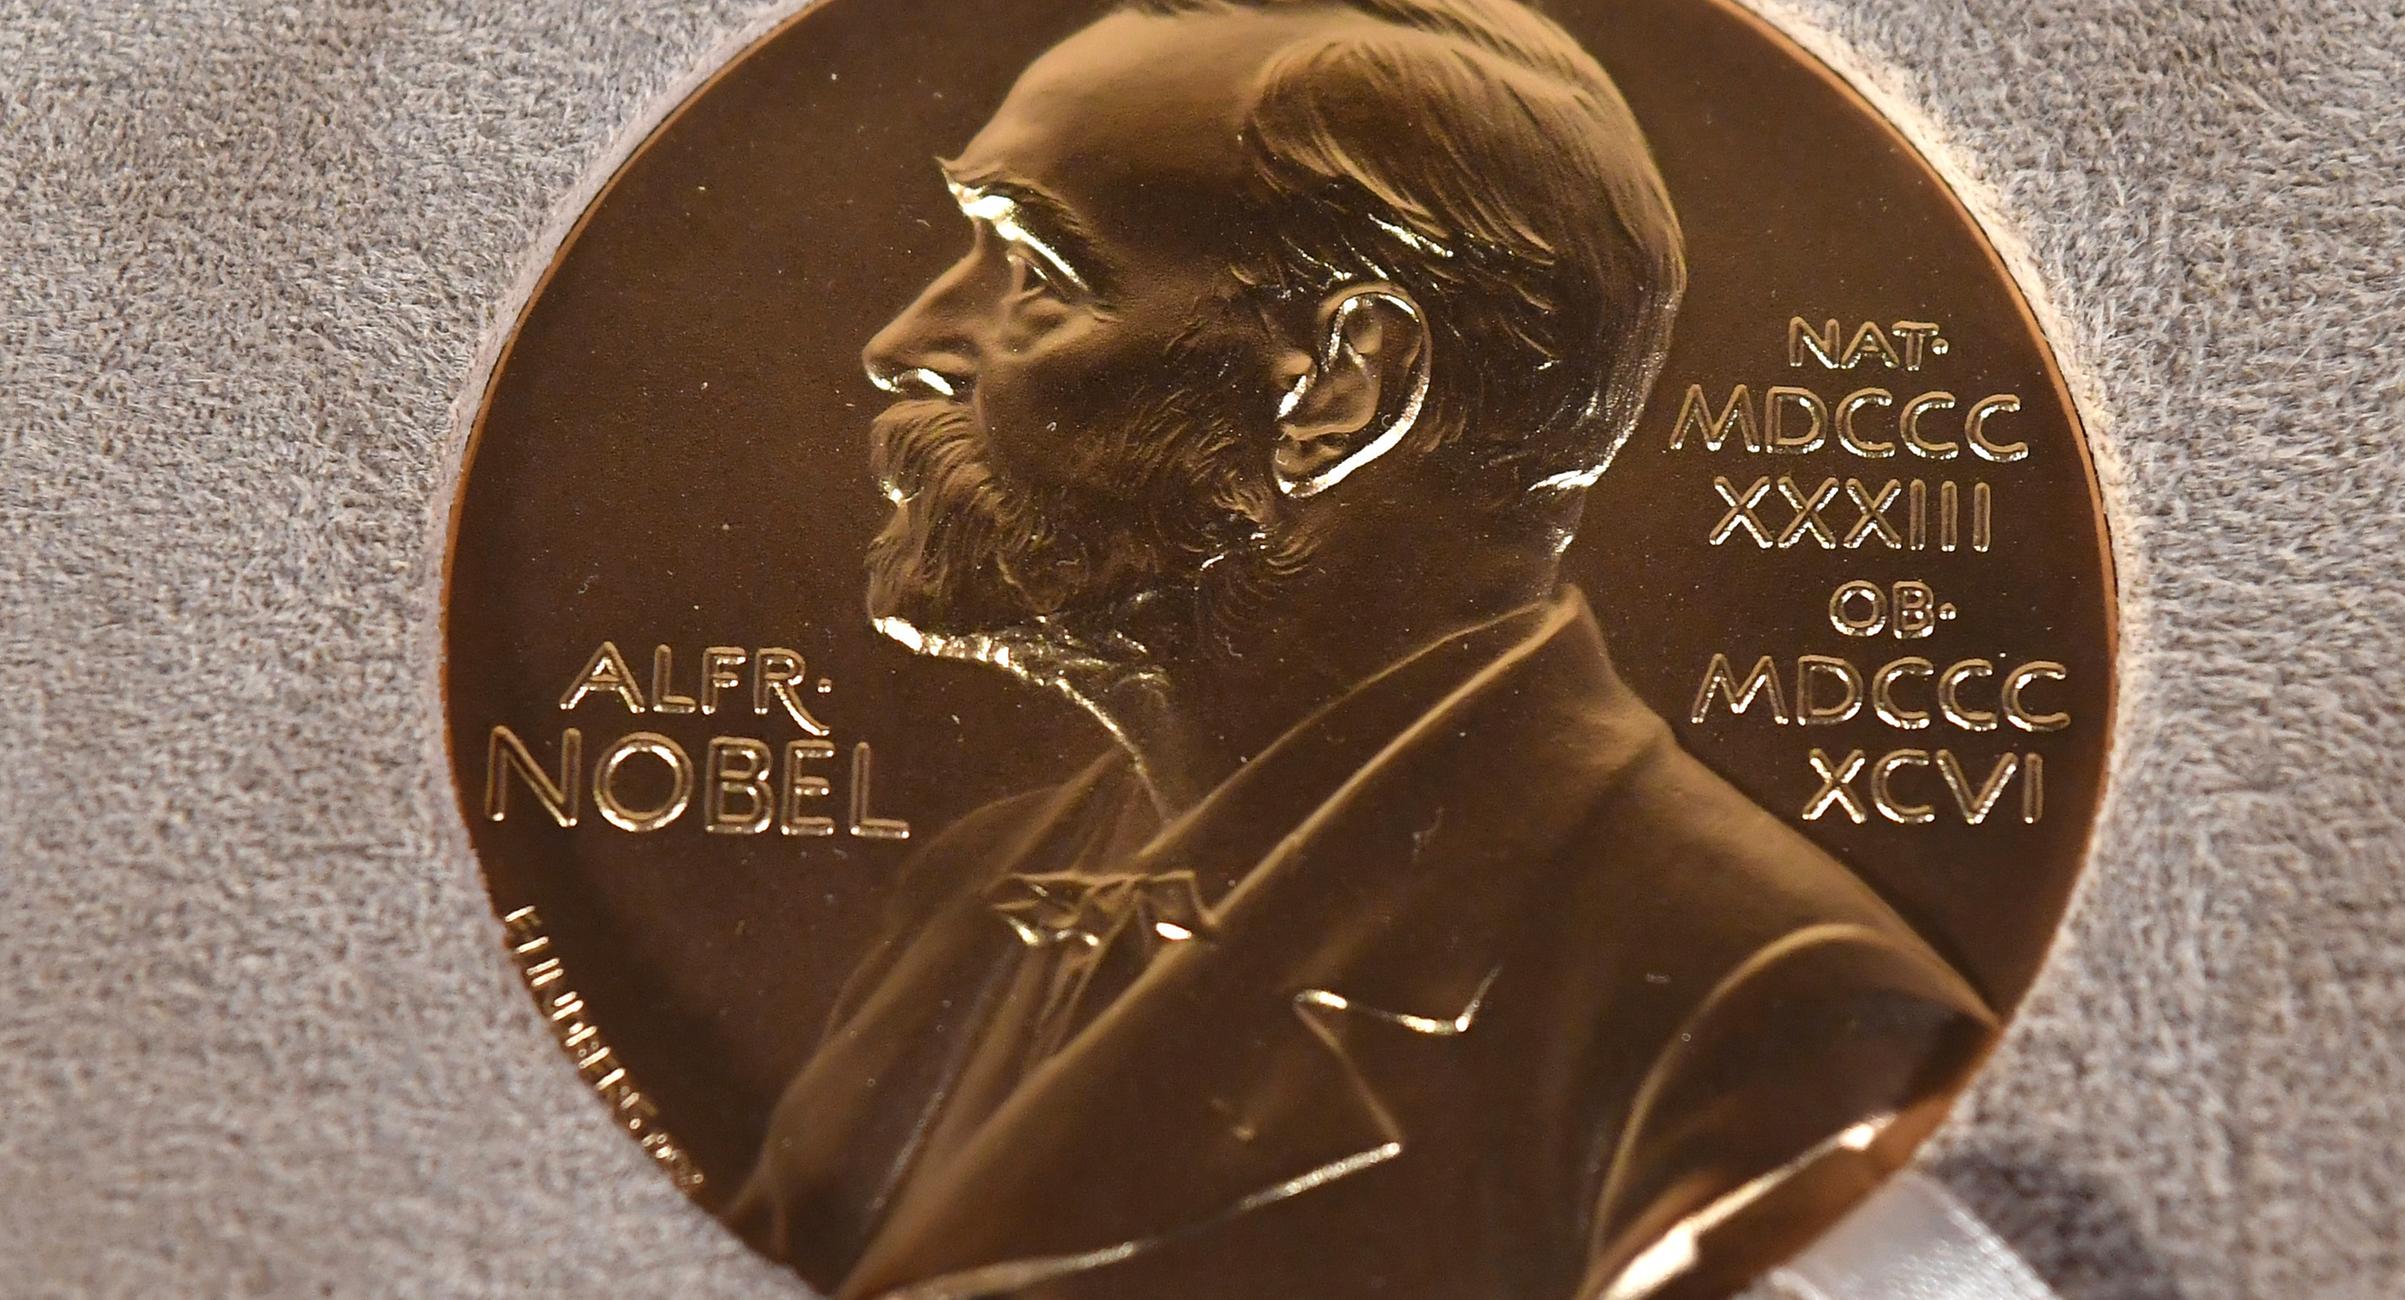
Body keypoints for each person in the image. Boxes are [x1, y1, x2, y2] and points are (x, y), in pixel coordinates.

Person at [730, 2, 1995, 1296]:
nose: (900, 347)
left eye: (1038, 278)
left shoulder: (1783, 1029)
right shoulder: (972, 898)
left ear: (1342, 386)